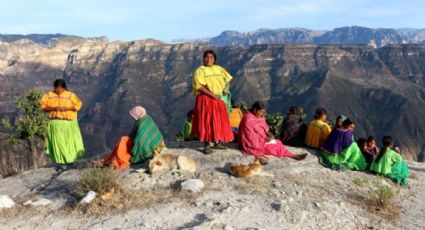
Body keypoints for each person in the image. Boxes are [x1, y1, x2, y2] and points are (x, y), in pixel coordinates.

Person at [191, 50, 234, 154]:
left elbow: (228, 79)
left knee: (218, 120)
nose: (208, 59)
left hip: (218, 99)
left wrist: (225, 90)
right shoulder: (200, 70)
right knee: (206, 121)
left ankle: (217, 142)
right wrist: (212, 95)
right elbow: (199, 86)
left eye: (211, 57)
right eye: (206, 57)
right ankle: (206, 144)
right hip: (206, 98)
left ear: (214, 59)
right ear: (203, 58)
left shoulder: (219, 69)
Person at [238, 101, 307, 163]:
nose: (262, 114)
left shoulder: (257, 116)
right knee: (272, 148)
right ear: (255, 110)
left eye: (263, 112)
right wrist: (264, 139)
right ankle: (293, 156)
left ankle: (291, 154)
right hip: (251, 144)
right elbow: (249, 136)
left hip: (261, 139)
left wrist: (267, 134)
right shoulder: (248, 119)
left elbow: (263, 127)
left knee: (278, 142)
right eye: (261, 112)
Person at [39, 79, 85, 171]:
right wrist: (54, 108)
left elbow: (78, 105)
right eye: (57, 88)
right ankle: (62, 162)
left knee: (69, 142)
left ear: (64, 87)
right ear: (54, 87)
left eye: (60, 88)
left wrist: (68, 108)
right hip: (55, 122)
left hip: (70, 122)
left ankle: (70, 159)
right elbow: (42, 106)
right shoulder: (48, 96)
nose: (58, 90)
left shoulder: (70, 95)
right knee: (58, 142)